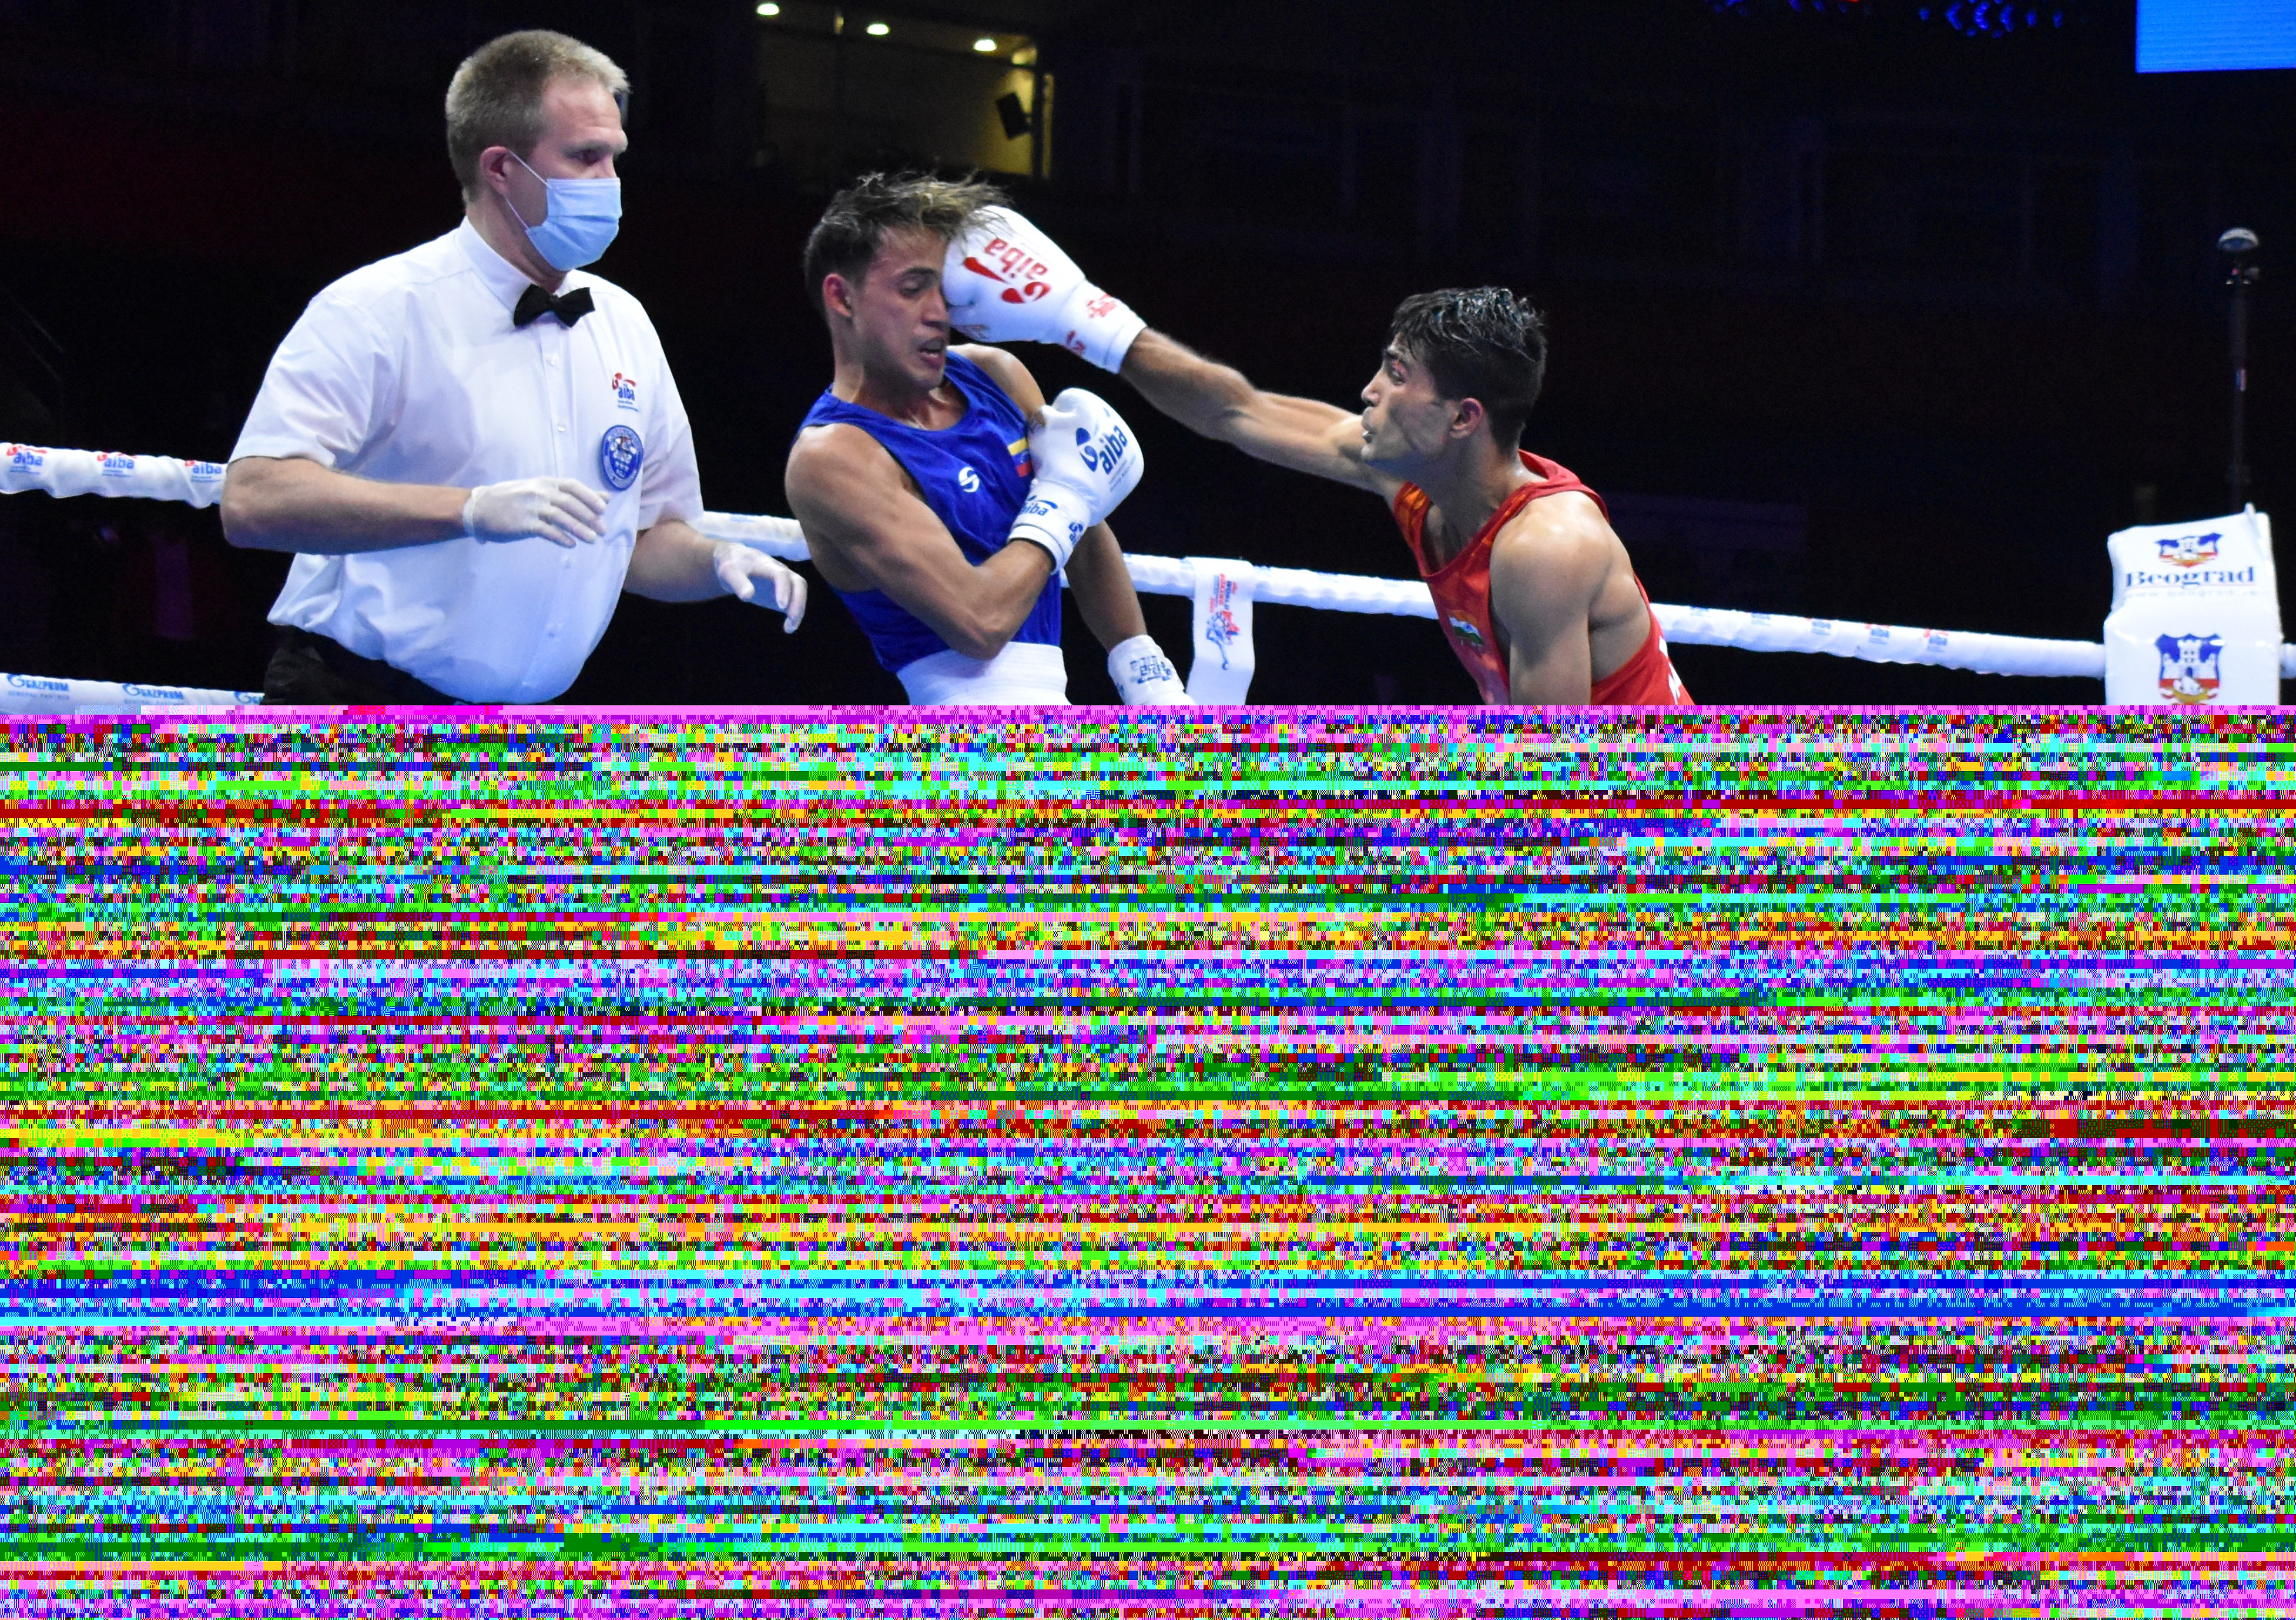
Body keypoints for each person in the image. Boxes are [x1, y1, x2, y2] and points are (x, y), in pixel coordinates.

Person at [220, 29, 807, 705]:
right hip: (355, 703)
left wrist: (717, 561)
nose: (610, 183)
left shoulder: (624, 324)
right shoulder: (376, 308)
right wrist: (467, 509)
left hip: (519, 732)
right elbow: (254, 500)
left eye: (615, 158)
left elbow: (644, 539)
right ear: (500, 168)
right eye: (586, 158)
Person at [937, 213, 1693, 707]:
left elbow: (1561, 789)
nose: (1367, 391)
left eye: (1396, 376)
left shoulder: (1546, 548)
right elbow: (1236, 410)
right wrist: (1086, 320)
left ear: (1463, 418)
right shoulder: (1408, 475)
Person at [782, 174, 1188, 706]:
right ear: (843, 297)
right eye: (911, 289)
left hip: (1055, 716)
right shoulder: (832, 457)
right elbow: (978, 622)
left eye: (943, 290)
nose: (938, 313)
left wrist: (1150, 682)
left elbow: (1082, 524)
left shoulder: (996, 375)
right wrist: (1061, 501)